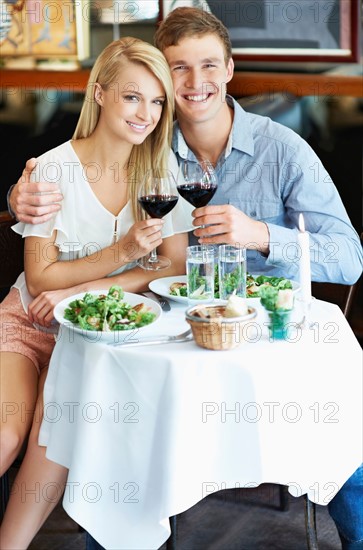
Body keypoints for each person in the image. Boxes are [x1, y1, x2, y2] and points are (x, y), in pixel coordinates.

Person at [6, 7, 363, 550]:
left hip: (264, 336)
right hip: (166, 334)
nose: (195, 83)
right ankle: (116, 536)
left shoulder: (283, 149)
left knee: (343, 431)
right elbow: (65, 175)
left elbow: (350, 258)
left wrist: (263, 235)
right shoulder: (149, 143)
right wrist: (17, 199)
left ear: (229, 70)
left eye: (209, 66)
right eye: (178, 69)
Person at [0, 36, 193, 549]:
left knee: (52, 443)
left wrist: (91, 284)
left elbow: (172, 266)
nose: (146, 114)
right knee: (5, 435)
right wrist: (125, 252)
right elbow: (40, 279)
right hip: (29, 322)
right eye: (133, 97)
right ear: (101, 93)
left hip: (93, 335)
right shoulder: (50, 169)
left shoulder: (160, 173)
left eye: (157, 102)